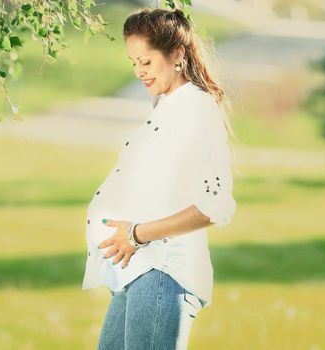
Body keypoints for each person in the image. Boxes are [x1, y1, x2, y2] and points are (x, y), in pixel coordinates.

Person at [81, 7, 238, 350]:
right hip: (137, 273)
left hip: (163, 274)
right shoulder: (169, 105)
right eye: (133, 62)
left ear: (177, 54)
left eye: (146, 62)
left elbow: (215, 205)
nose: (139, 71)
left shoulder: (195, 108)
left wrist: (136, 235)